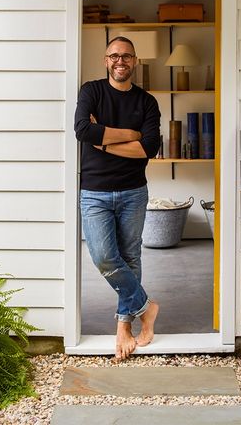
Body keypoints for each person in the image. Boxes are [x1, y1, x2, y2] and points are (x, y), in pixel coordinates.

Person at [74, 36, 161, 360]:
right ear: (105, 59)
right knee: (104, 258)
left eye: (126, 56)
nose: (120, 61)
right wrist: (130, 134)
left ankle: (124, 327)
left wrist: (104, 139)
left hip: (133, 191)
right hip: (94, 192)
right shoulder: (92, 91)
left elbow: (147, 149)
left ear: (135, 61)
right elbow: (83, 130)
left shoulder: (147, 102)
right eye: (114, 55)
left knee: (130, 256)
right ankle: (146, 307)